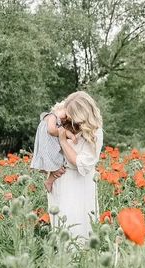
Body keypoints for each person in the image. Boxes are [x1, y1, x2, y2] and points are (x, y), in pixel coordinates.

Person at [46, 91, 103, 244]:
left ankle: (81, 263)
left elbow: (80, 164)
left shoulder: (95, 132)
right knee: (61, 229)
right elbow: (47, 122)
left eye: (72, 114)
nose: (69, 118)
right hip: (60, 180)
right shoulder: (66, 121)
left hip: (78, 184)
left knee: (78, 229)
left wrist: (63, 141)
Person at [30, 101, 78, 192]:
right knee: (59, 164)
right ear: (59, 109)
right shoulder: (52, 116)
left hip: (47, 147)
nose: (65, 120)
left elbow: (59, 130)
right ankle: (49, 181)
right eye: (66, 116)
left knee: (59, 167)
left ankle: (49, 181)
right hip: (47, 147)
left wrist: (69, 135)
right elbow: (51, 130)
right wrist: (65, 134)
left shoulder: (57, 121)